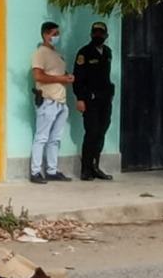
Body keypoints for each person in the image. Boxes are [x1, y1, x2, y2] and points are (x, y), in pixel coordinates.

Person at [30, 22, 75, 184]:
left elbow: (58, 73)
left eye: (57, 33)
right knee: (41, 137)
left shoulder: (57, 53)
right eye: (53, 34)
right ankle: (35, 171)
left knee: (55, 139)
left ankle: (52, 170)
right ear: (45, 35)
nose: (56, 37)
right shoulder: (40, 54)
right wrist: (61, 78)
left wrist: (67, 77)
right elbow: (38, 76)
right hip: (48, 101)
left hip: (61, 102)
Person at [72, 22, 115, 181]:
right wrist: (80, 99)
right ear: (91, 34)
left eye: (101, 33)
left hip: (104, 100)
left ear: (106, 35)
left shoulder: (107, 52)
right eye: (95, 33)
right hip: (90, 100)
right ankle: (86, 169)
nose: (98, 36)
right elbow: (78, 78)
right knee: (91, 133)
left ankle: (96, 167)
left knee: (101, 133)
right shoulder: (84, 53)